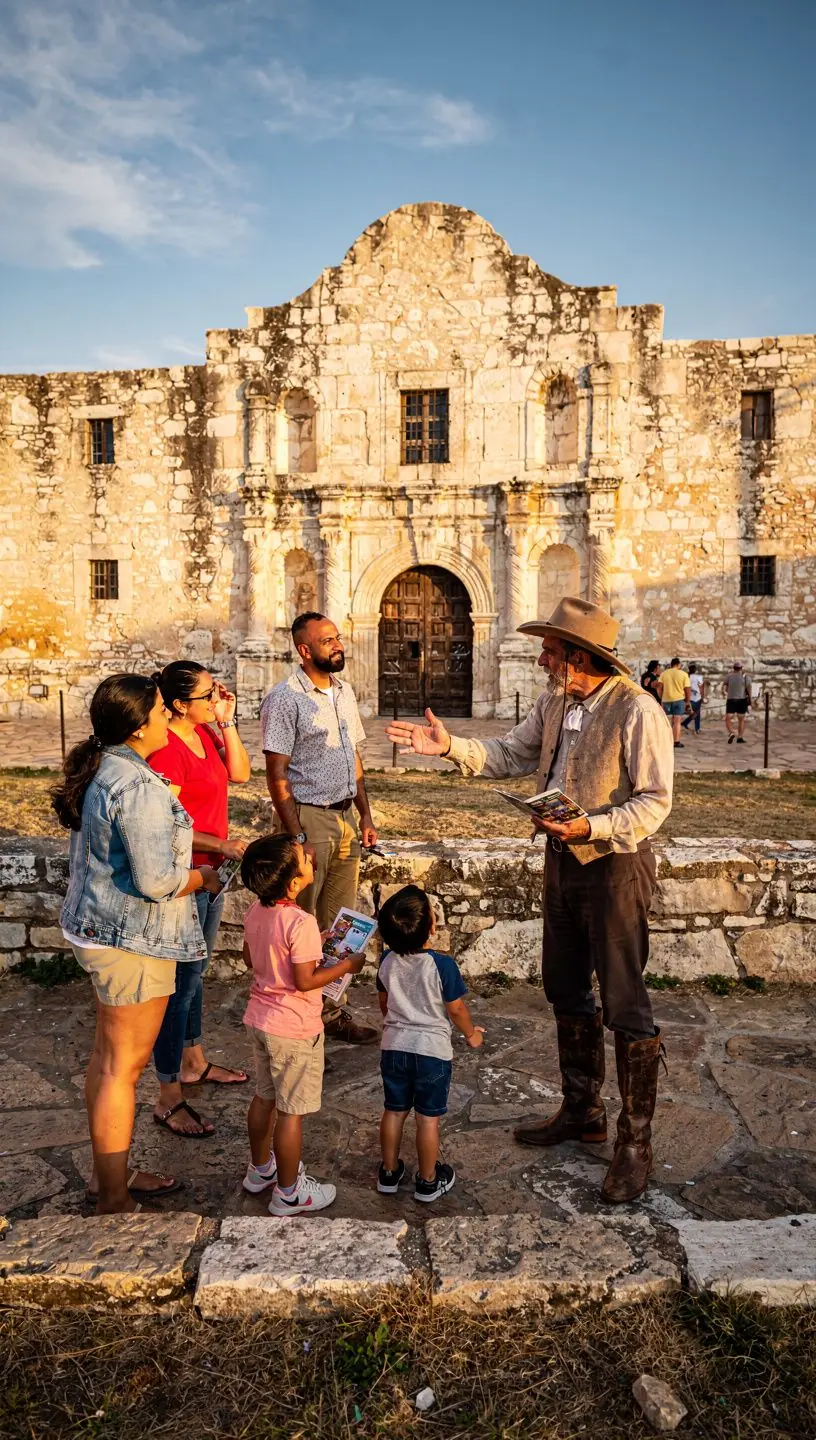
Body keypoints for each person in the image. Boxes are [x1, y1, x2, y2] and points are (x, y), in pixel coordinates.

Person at [387, 596, 674, 1204]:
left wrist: (590, 829)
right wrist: (449, 748)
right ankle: (583, 1109)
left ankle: (634, 1141)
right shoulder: (555, 702)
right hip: (561, 860)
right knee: (564, 985)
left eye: (550, 648)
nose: (542, 658)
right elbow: (510, 754)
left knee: (624, 1000)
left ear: (579, 655)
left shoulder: (637, 710)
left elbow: (654, 802)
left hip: (614, 865)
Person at [53, 673, 222, 1213]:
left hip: (99, 928)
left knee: (107, 1062)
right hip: (133, 940)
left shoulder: (107, 766)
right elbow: (155, 881)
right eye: (159, 711)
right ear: (140, 724)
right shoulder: (140, 785)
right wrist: (203, 879)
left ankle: (112, 1178)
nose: (167, 719)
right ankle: (113, 1199)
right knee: (121, 1069)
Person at [260, 611, 379, 1045]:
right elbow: (277, 773)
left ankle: (332, 1013)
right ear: (304, 650)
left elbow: (355, 760)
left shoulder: (343, 692)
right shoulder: (285, 698)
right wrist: (296, 837)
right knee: (301, 924)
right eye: (327, 640)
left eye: (338, 637)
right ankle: (296, 1017)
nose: (338, 644)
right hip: (308, 817)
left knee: (340, 925)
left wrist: (365, 815)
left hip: (347, 819)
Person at [149, 662, 251, 1138]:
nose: (217, 698)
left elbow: (241, 774)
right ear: (176, 705)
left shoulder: (206, 733)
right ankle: (167, 1091)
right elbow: (166, 829)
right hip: (188, 875)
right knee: (180, 985)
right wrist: (222, 846)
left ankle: (193, 1061)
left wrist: (226, 721)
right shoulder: (166, 750)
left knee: (196, 973)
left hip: (211, 873)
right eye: (209, 695)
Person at [239, 833, 367, 1214]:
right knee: (291, 1112)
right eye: (304, 858)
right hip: (294, 1028)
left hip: (260, 1020)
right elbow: (305, 981)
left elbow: (251, 958)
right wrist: (348, 965)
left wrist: (318, 943)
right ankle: (290, 1192)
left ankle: (260, 1170)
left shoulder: (256, 911)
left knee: (264, 1098)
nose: (311, 857)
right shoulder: (301, 921)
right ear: (294, 883)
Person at [376, 885, 484, 1203]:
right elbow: (456, 1009)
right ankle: (427, 1181)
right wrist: (471, 1034)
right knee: (427, 1118)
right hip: (431, 1054)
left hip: (394, 1047)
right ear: (432, 928)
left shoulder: (385, 961)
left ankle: (389, 1172)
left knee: (394, 1111)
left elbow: (385, 1005)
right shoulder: (442, 965)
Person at [660, 657, 691, 748]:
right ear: (679, 664)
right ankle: (676, 741)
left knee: (665, 721)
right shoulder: (683, 674)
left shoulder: (664, 674)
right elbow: (687, 689)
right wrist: (688, 701)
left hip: (666, 700)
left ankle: (664, 740)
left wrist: (661, 696)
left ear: (671, 664)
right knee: (677, 721)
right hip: (679, 700)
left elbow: (659, 686)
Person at [724, 661, 752, 744]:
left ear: (734, 668)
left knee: (728, 718)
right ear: (741, 668)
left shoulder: (729, 676)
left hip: (731, 699)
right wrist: (750, 700)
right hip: (742, 700)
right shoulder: (746, 677)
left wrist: (728, 691)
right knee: (741, 719)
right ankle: (740, 737)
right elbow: (749, 689)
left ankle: (731, 732)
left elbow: (725, 687)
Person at [681, 664, 706, 735]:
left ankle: (687, 724)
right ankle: (695, 728)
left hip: (688, 697)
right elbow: (701, 688)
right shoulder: (698, 677)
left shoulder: (686, 676)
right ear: (695, 670)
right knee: (696, 713)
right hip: (696, 697)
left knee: (695, 713)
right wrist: (703, 697)